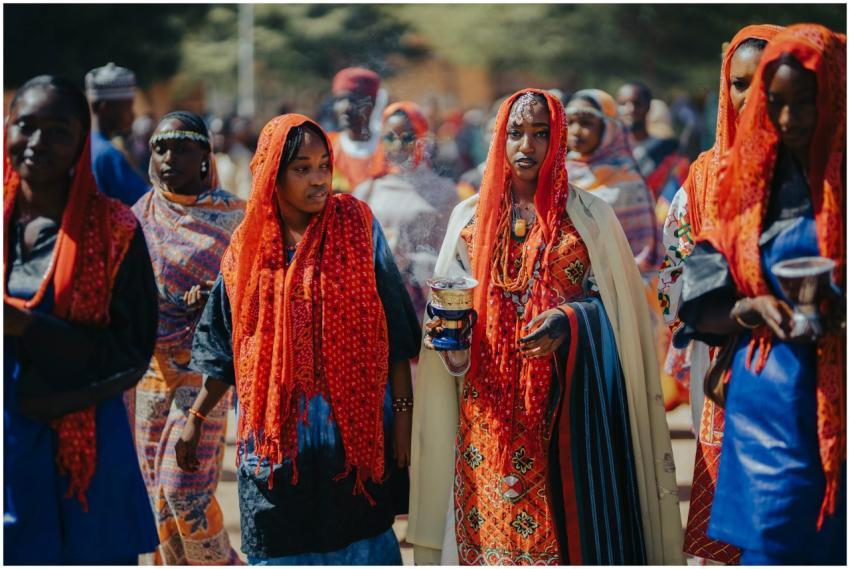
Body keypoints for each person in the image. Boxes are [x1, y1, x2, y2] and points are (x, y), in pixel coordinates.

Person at [408, 89, 683, 565]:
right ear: (499, 137)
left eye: (541, 134)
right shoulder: (469, 217)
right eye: (516, 132)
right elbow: (448, 302)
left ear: (560, 141)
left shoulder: (590, 217)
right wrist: (450, 332)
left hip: (566, 415)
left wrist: (570, 319)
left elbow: (618, 310)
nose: (527, 146)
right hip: (484, 413)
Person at [177, 114, 421, 564]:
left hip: (351, 443)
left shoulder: (357, 228)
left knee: (360, 539)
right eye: (302, 168)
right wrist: (195, 417)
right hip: (276, 449)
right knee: (280, 544)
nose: (318, 180)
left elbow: (397, 331)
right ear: (273, 173)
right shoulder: (247, 249)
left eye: (324, 166)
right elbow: (224, 344)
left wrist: (402, 417)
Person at [676, 24, 846, 565]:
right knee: (772, 546)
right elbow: (700, 288)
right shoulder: (749, 186)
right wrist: (746, 308)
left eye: (806, 102)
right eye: (777, 104)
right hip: (769, 405)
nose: (790, 119)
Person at [3, 75, 159, 564]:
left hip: (84, 449)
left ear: (81, 142)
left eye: (58, 130)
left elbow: (132, 352)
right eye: (25, 126)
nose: (37, 143)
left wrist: (27, 326)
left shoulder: (115, 230)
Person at [657, 24, 783, 564]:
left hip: (802, 359)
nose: (749, 96)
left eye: (766, 83)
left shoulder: (823, 173)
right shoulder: (705, 177)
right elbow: (674, 277)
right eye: (738, 83)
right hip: (723, 363)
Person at [131, 111, 245, 565]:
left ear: (204, 156)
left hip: (206, 377)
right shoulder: (138, 216)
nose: (168, 157)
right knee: (158, 505)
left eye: (181, 147)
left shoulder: (237, 219)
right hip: (150, 377)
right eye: (160, 147)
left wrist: (218, 298)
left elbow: (256, 290)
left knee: (185, 494)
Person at [354, 102, 458, 322]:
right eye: (390, 137)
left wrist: (410, 260)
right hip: (375, 303)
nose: (398, 144)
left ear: (422, 138)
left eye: (408, 137)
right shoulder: (367, 190)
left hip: (422, 307)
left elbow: (451, 260)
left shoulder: (444, 192)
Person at [85, 62, 149, 206]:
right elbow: (145, 201)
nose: (132, 114)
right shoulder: (107, 153)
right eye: (127, 106)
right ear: (105, 108)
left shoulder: (86, 142)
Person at [616, 81, 689, 205]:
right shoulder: (609, 151)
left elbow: (680, 192)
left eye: (637, 104)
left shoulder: (668, 151)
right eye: (623, 104)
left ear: (648, 107)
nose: (630, 109)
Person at [328, 67, 387, 192]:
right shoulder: (327, 147)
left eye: (354, 100)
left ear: (373, 103)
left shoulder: (388, 148)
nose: (346, 108)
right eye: (339, 100)